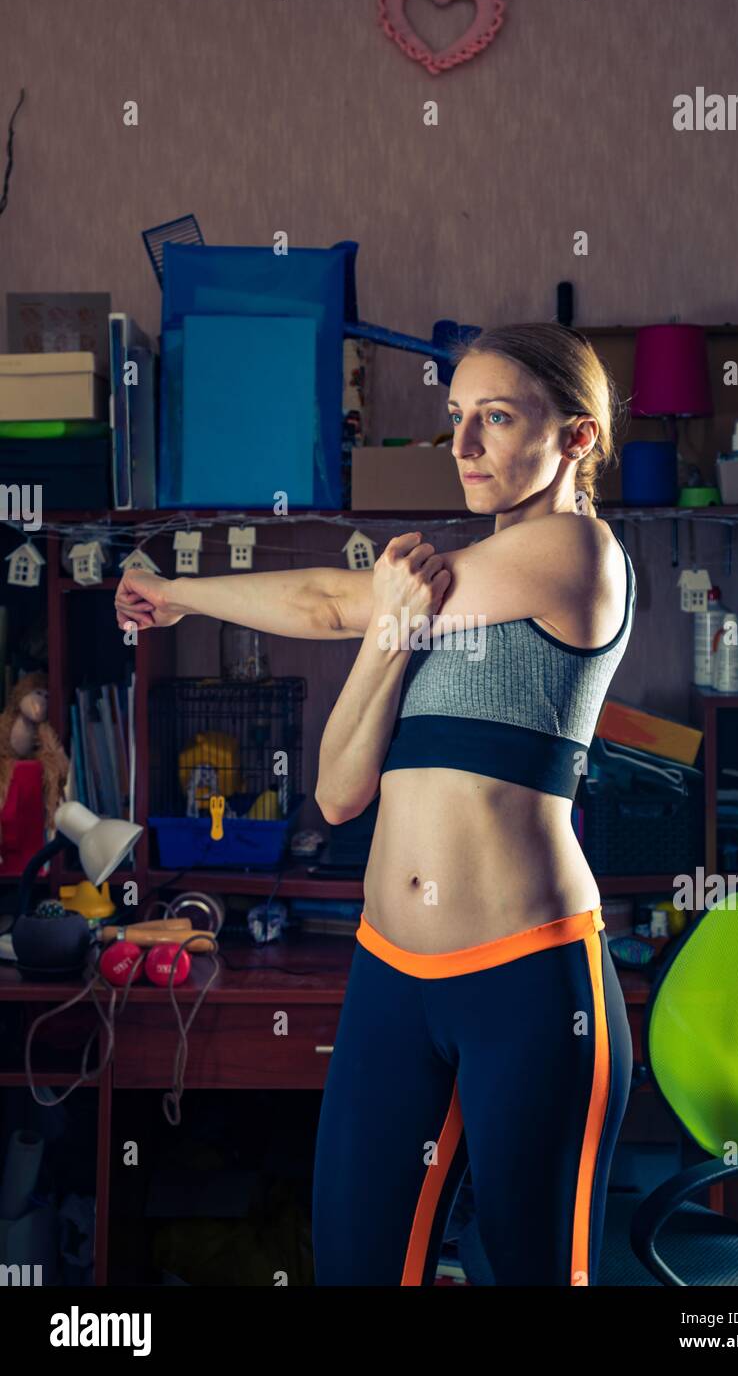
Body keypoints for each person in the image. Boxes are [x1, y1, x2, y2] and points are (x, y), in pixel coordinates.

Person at [115, 322, 637, 1286]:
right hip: (390, 976)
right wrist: (387, 633)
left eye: (496, 417)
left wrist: (182, 591)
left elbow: (328, 603)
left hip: (527, 981)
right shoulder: (434, 598)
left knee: (533, 1272)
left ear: (577, 439)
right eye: (455, 419)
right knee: (357, 1265)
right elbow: (337, 792)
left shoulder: (578, 557)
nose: (465, 447)